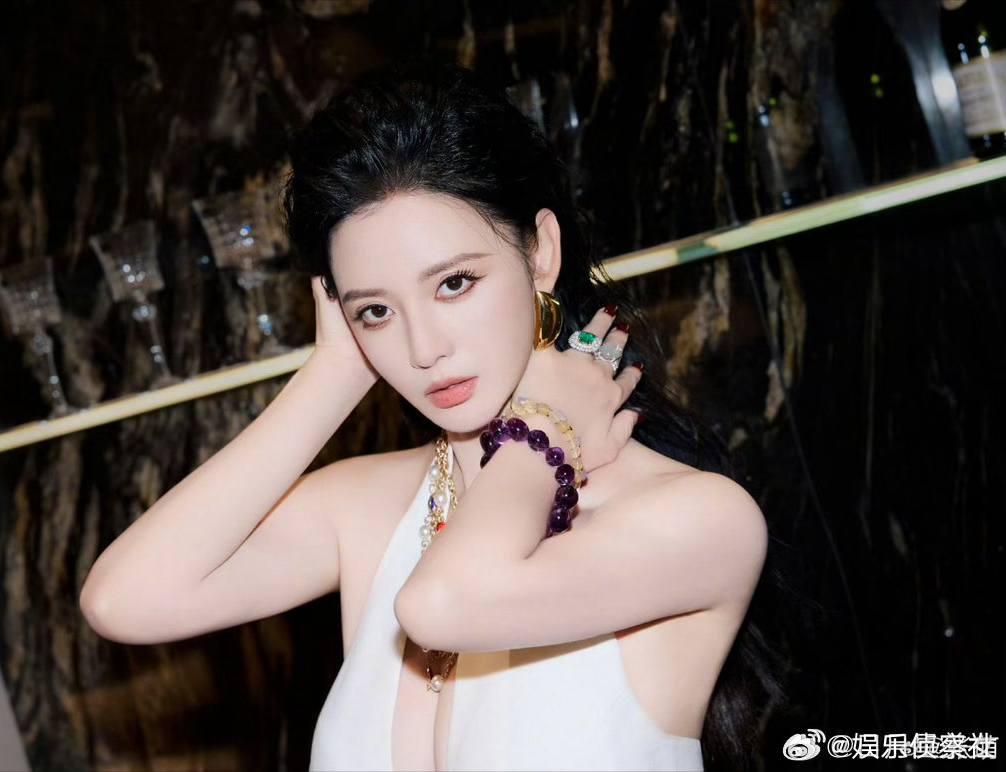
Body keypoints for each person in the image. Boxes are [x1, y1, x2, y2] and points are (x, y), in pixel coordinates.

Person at [81, 59, 774, 771]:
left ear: (540, 253)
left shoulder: (697, 517)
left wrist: (542, 432)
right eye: (376, 311)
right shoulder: (371, 507)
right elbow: (125, 599)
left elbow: (443, 604)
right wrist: (334, 371)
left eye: (454, 283)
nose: (423, 348)